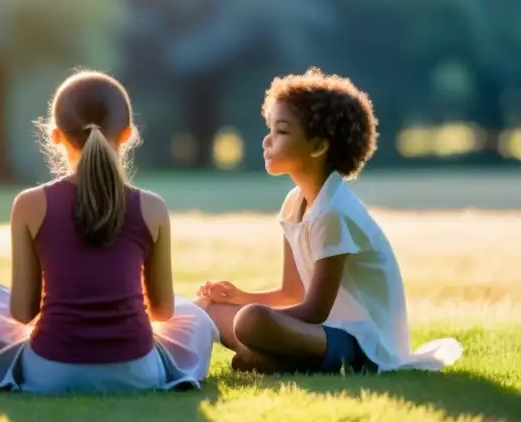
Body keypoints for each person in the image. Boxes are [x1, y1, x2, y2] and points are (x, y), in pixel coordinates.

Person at [196, 68, 462, 374]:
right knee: (209, 309)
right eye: (270, 129)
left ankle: (270, 357)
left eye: (281, 131)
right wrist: (240, 296)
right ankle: (269, 358)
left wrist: (251, 315)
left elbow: (313, 310)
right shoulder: (294, 203)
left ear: (319, 146)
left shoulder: (334, 211)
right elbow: (292, 293)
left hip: (362, 344)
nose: (267, 141)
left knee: (252, 320)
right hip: (320, 334)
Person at [0, 70, 217, 393]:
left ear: (56, 136)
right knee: (195, 318)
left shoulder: (29, 205)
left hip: (51, 371)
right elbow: (162, 310)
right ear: (127, 135)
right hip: (137, 371)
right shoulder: (152, 207)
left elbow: (22, 312)